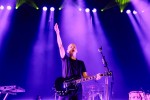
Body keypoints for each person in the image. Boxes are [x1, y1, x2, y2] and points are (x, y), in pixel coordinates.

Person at [54, 23, 101, 100]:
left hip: (77, 89)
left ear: (77, 50)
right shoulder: (65, 59)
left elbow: (85, 76)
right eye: (70, 47)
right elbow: (60, 45)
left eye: (74, 47)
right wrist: (57, 33)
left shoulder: (81, 63)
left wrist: (95, 77)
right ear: (68, 50)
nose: (73, 47)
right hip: (65, 87)